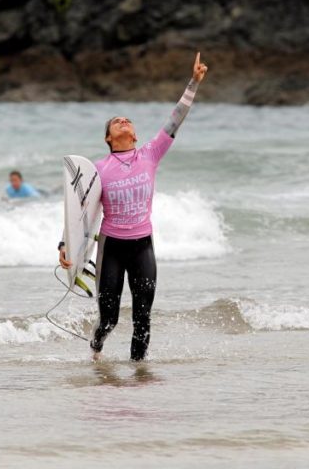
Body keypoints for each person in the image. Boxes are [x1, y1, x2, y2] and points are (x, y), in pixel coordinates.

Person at [58, 52, 208, 362]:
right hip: (111, 246)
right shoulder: (98, 169)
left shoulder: (150, 154)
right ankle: (96, 345)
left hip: (142, 247)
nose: (123, 121)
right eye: (116, 122)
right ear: (108, 138)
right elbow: (80, 210)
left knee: (143, 317)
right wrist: (66, 244)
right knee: (110, 319)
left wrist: (193, 82)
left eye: (127, 120)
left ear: (134, 135)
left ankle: (138, 373)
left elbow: (176, 118)